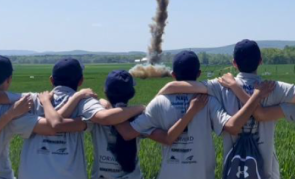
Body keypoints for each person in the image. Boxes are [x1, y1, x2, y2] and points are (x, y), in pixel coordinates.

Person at [157, 40, 295, 179]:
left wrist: (164, 89)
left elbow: (186, 86)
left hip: (234, 169)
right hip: (266, 170)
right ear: (260, 61)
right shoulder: (274, 87)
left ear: (234, 63)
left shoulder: (220, 86)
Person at [115, 50, 275, 179]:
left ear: (173, 75)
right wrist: (255, 97)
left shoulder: (159, 102)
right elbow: (233, 127)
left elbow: (128, 133)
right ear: (198, 73)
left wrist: (110, 108)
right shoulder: (208, 101)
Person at [60, 69, 210, 179]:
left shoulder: (96, 115)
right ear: (131, 93)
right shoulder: (139, 117)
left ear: (105, 91)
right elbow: (167, 138)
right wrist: (190, 112)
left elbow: (60, 124)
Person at [17, 60, 147, 179]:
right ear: (81, 81)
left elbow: (2, 96)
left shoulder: (32, 100)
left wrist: (46, 101)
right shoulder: (87, 104)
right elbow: (107, 119)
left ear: (51, 80)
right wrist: (142, 107)